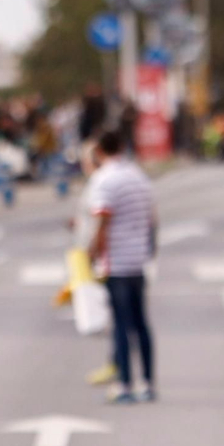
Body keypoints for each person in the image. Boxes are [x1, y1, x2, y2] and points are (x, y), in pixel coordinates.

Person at [86, 130, 157, 403]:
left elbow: (103, 221)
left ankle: (125, 385)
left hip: (116, 262)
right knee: (141, 324)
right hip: (138, 260)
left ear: (99, 152)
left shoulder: (104, 180)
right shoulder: (138, 176)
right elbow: (152, 219)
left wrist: (92, 254)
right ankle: (148, 383)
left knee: (121, 326)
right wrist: (149, 250)